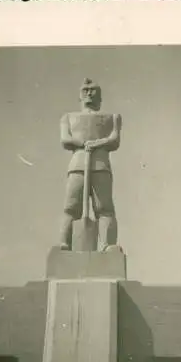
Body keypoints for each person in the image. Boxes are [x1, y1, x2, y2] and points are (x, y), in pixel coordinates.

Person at [59, 78, 122, 251]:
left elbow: (114, 139)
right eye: (85, 90)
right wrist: (81, 142)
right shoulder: (68, 118)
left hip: (101, 165)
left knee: (104, 208)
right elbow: (65, 139)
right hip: (78, 165)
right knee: (71, 207)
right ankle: (65, 243)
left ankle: (107, 244)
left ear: (100, 96)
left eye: (93, 90)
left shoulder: (112, 118)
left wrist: (97, 143)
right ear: (79, 95)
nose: (89, 93)